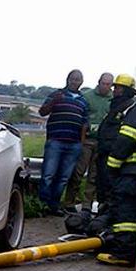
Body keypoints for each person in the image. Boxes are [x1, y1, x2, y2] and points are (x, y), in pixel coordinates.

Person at [97, 76, 136, 266]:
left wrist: (112, 166)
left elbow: (126, 140)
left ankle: (124, 253)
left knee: (127, 213)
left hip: (133, 172)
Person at [38, 69, 89, 216]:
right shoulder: (57, 94)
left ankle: (54, 205)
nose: (75, 82)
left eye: (78, 79)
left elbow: (85, 124)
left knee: (63, 178)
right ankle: (43, 204)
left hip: (74, 145)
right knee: (48, 175)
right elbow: (42, 112)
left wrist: (81, 144)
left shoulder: (83, 101)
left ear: (81, 82)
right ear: (67, 79)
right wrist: (54, 102)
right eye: (72, 79)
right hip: (55, 142)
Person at [64, 72, 113, 212]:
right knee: (78, 172)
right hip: (86, 140)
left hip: (102, 142)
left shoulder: (112, 99)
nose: (106, 87)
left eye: (109, 85)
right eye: (104, 84)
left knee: (94, 175)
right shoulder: (87, 96)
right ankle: (69, 202)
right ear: (99, 82)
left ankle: (87, 204)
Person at [95, 73, 136, 207]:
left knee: (110, 187)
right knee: (102, 184)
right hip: (105, 152)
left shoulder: (128, 107)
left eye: (118, 88)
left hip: (113, 155)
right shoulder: (116, 106)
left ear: (126, 90)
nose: (114, 90)